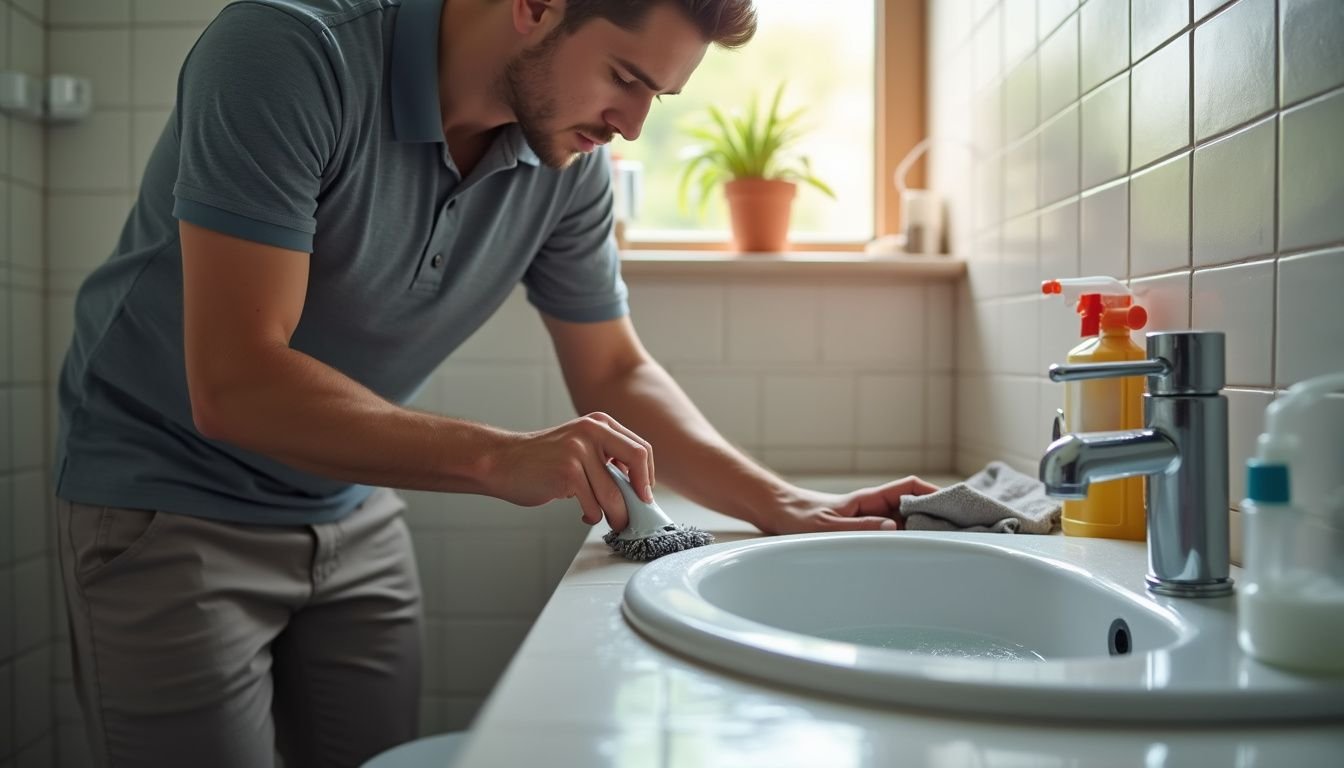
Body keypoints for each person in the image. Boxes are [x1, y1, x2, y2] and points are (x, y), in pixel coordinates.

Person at [52, 0, 938, 765]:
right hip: (167, 507)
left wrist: (779, 501)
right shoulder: (288, 52)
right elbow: (237, 379)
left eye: (655, 97)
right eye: (625, 77)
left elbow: (615, 367)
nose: (632, 126)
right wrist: (497, 458)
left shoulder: (569, 161)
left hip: (351, 511)